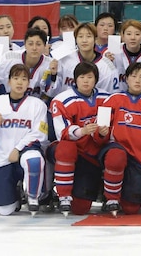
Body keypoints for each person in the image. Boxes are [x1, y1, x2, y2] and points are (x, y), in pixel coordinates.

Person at [0, 63, 48, 216]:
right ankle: (15, 193)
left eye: (24, 79)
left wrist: (18, 148)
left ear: (29, 83)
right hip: (0, 158)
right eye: (16, 78)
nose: (19, 82)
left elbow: (40, 134)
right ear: (9, 81)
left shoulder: (37, 105)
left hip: (24, 151)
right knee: (5, 210)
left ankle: (33, 197)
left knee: (34, 160)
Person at [100, 62, 141, 215]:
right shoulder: (113, 99)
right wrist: (101, 132)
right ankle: (111, 199)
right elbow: (100, 130)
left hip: (140, 159)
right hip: (116, 151)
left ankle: (122, 195)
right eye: (134, 76)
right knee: (116, 157)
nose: (137, 80)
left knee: (132, 209)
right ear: (127, 79)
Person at [49, 61, 109, 216]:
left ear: (96, 79)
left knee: (81, 208)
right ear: (75, 79)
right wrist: (82, 131)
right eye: (82, 77)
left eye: (90, 77)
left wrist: (102, 133)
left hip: (91, 154)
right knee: (66, 148)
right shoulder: (61, 100)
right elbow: (61, 132)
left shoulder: (106, 98)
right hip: (70, 149)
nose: (86, 80)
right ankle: (63, 196)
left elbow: (107, 128)